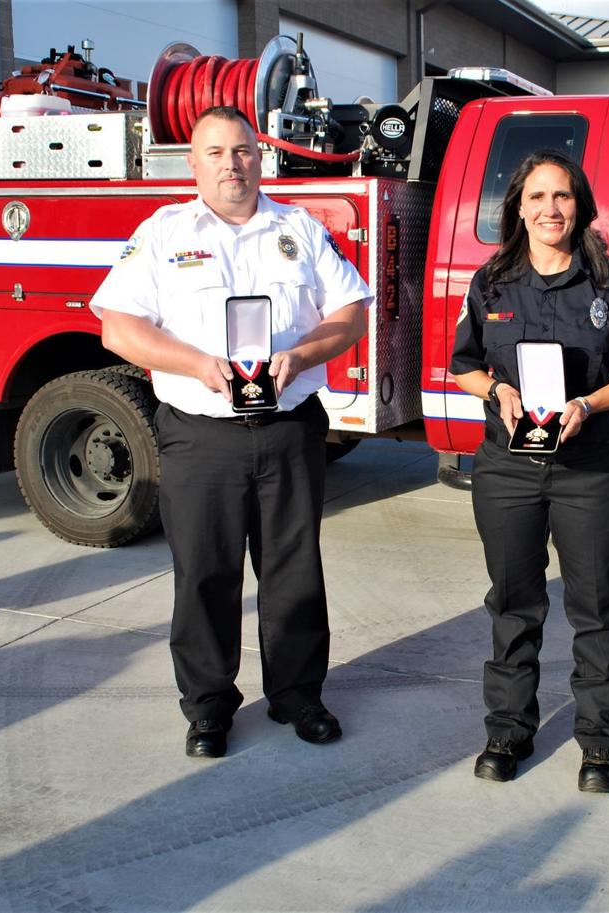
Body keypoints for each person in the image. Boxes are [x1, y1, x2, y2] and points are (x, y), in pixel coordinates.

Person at [91, 106, 371, 759]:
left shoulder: (298, 229)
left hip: (288, 428)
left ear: (260, 158)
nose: (230, 164)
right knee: (204, 572)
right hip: (200, 432)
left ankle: (298, 695)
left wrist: (299, 356)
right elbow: (119, 327)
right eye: (214, 152)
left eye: (242, 150)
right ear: (192, 164)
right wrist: (197, 365)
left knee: (293, 569)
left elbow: (350, 313)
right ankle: (210, 705)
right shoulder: (162, 233)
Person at [450, 150, 609, 792]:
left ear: (581, 205)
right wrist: (497, 394)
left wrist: (587, 403)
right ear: (518, 206)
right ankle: (508, 733)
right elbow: (462, 364)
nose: (550, 209)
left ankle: (599, 743)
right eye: (537, 197)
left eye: (562, 197)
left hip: (587, 469)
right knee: (514, 603)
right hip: (508, 470)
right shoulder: (490, 283)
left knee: (595, 605)